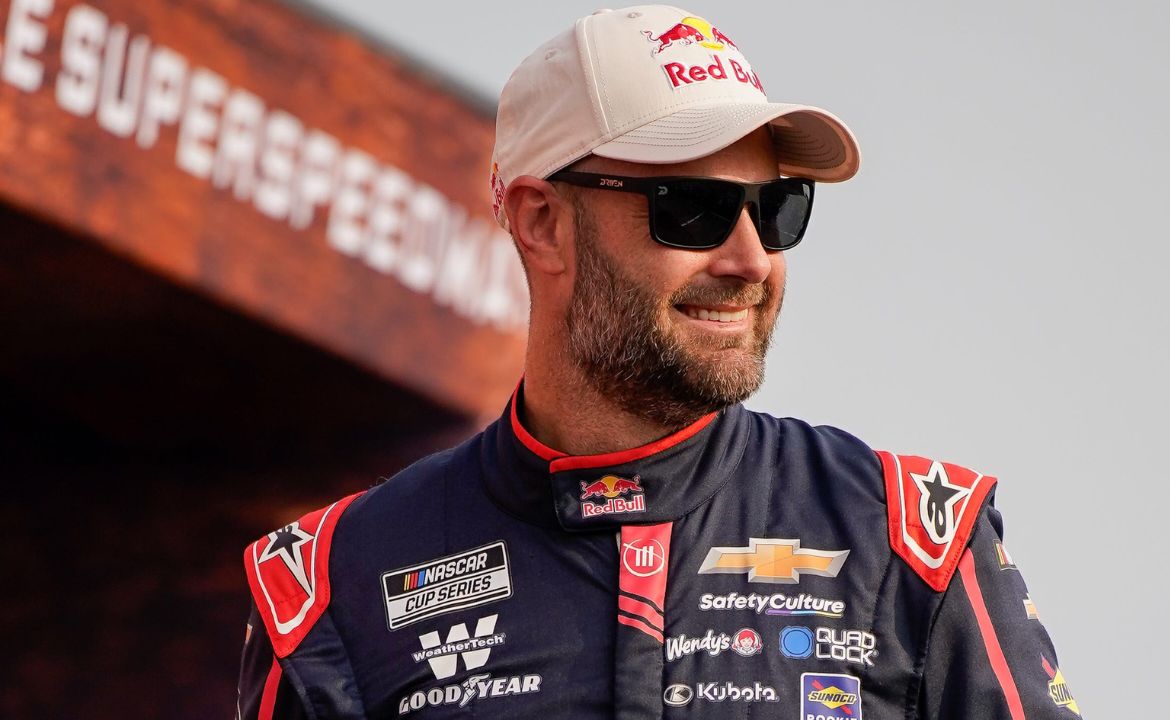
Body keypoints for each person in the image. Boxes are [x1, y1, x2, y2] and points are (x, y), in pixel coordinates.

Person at [237, 5, 1080, 719]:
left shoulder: (914, 540)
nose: (752, 259)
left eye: (777, 209)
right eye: (693, 208)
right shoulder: (332, 582)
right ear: (541, 223)